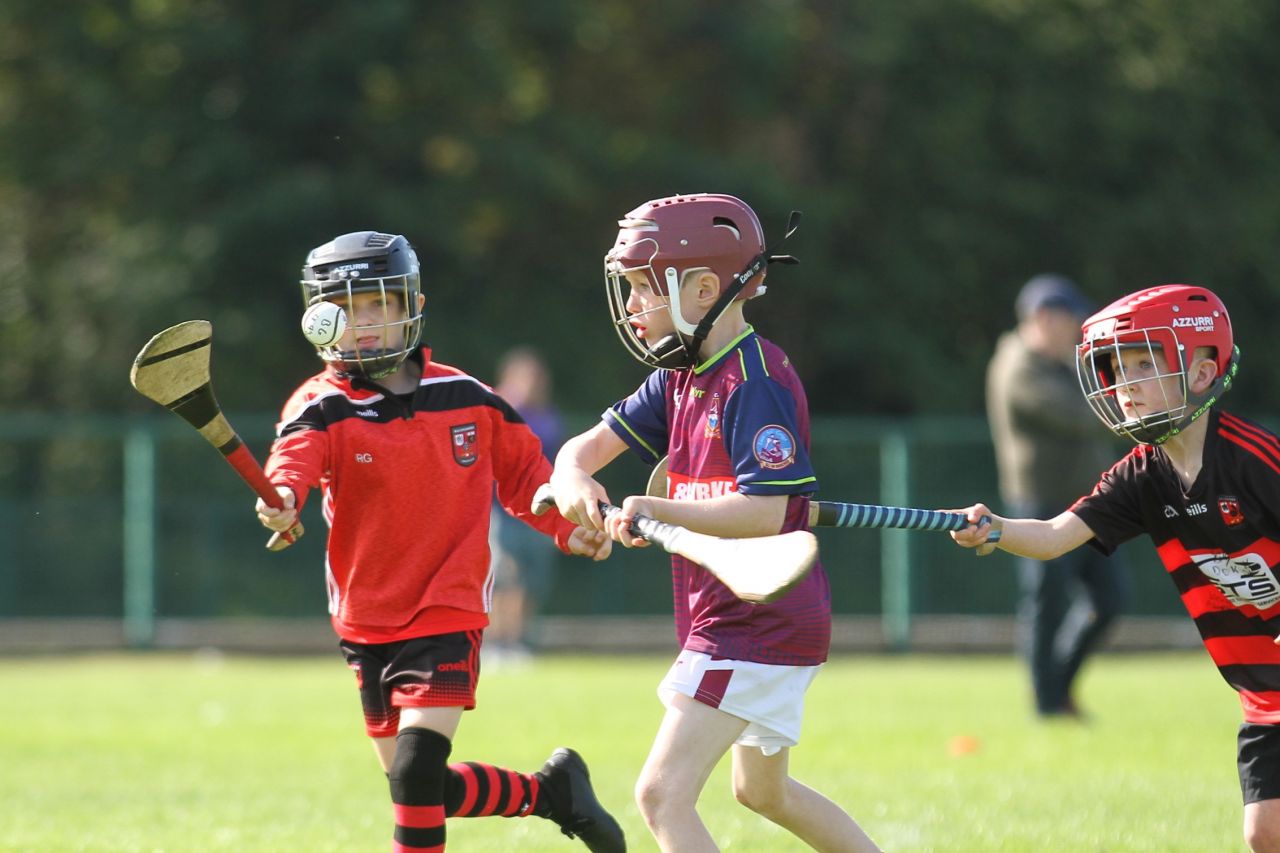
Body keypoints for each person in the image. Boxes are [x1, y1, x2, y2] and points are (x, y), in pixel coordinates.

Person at [254, 230, 626, 853]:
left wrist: (570, 527)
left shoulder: (470, 398)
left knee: (416, 772)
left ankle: (552, 794)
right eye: (345, 311)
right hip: (364, 620)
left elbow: (528, 481)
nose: (363, 324)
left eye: (378, 304)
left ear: (409, 305)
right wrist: (284, 498)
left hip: (446, 609)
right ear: (320, 320)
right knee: (417, 785)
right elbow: (291, 462)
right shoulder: (318, 404)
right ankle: (552, 793)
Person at [549, 194, 881, 852]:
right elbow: (578, 452)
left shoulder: (755, 383)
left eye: (644, 289)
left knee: (660, 794)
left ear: (703, 289)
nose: (633, 306)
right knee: (763, 792)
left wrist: (655, 507)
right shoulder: (676, 379)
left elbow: (763, 512)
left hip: (756, 617)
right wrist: (573, 482)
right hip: (733, 615)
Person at [949, 284, 1280, 851]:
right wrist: (996, 527)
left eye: (1145, 364)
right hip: (1265, 695)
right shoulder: (1140, 476)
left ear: (1202, 374)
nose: (1124, 384)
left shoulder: (1255, 461)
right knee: (1263, 833)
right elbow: (1055, 537)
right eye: (1116, 367)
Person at [986, 273, 1129, 719]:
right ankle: (1047, 704)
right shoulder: (1017, 364)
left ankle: (1059, 686)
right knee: (1046, 607)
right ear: (1044, 318)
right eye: (1071, 318)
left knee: (1111, 601)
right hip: (1040, 505)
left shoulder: (1062, 364)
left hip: (1085, 507)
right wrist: (1124, 398)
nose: (1077, 327)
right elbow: (1080, 417)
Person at [486, 346, 565, 664]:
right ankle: (496, 645)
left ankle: (518, 641)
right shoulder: (499, 409)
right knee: (506, 579)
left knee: (531, 582)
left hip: (540, 514)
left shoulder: (547, 417)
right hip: (502, 512)